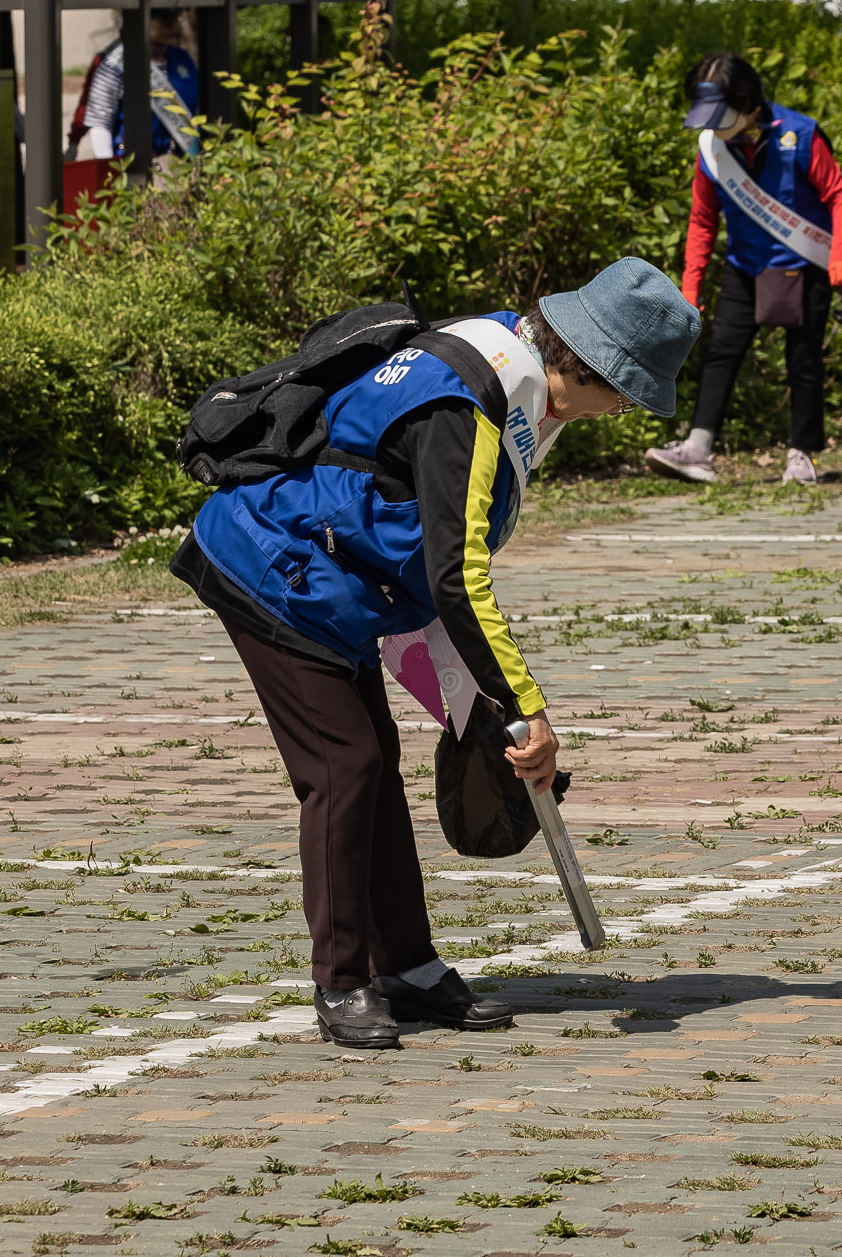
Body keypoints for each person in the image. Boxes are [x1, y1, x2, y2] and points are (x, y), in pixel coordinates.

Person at [168, 259, 700, 1047]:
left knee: (372, 763)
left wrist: (483, 709)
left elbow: (429, 562)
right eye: (622, 393)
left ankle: (408, 967)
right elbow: (457, 575)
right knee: (345, 766)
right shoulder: (470, 405)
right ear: (585, 365)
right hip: (272, 569)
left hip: (338, 583)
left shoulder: (500, 353)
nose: (617, 409)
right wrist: (527, 707)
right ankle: (342, 981)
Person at [647, 51, 842, 487]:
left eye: (720, 113)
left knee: (803, 362)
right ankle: (698, 449)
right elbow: (703, 220)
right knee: (722, 353)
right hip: (745, 266)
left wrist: (841, 254)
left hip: (805, 265)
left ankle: (801, 456)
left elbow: (838, 195)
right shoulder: (712, 149)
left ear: (748, 102)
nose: (711, 125)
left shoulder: (799, 135)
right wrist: (691, 286)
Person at [69, 8, 201, 183]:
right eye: (164, 19)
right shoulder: (114, 64)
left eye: (175, 18)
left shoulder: (182, 59)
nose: (174, 25)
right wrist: (110, 172)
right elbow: (100, 121)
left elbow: (196, 111)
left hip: (181, 166)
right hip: (132, 169)